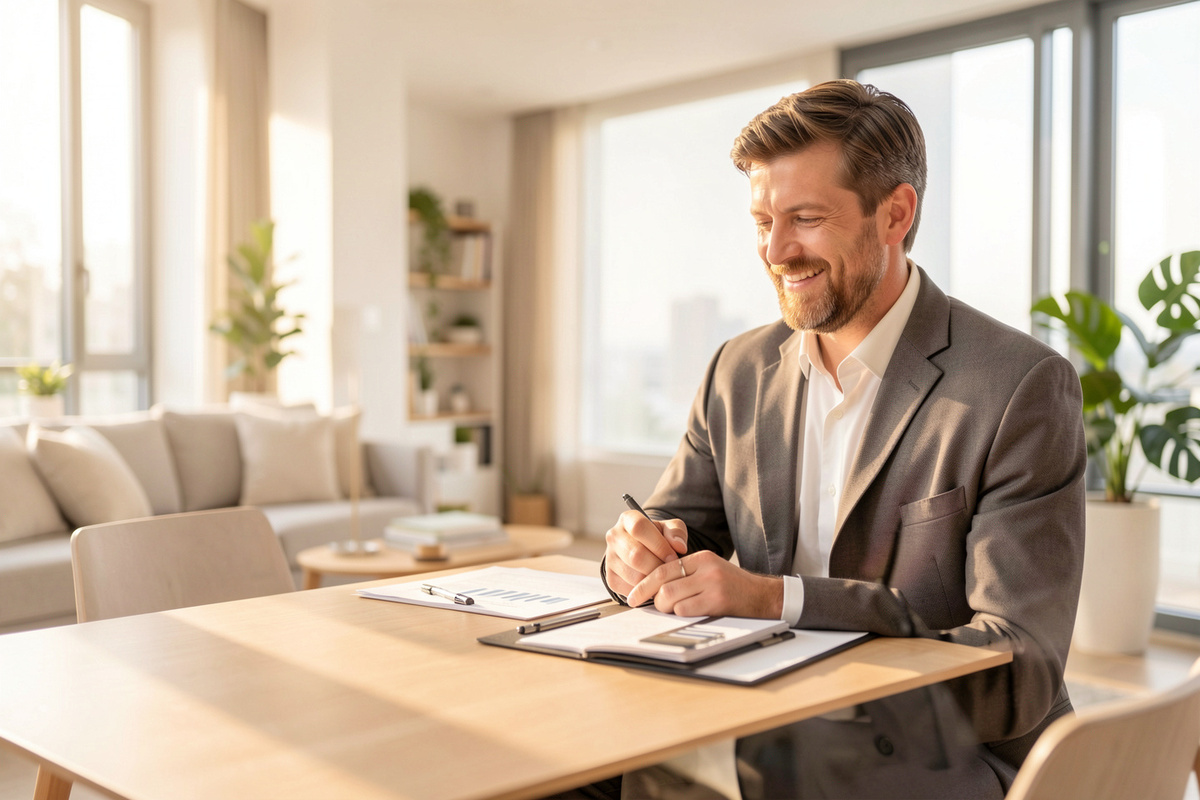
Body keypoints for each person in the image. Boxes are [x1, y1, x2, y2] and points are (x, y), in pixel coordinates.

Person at [600, 80, 1086, 798]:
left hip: (935, 757)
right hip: (739, 719)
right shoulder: (737, 370)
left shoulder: (1019, 386)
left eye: (805, 218)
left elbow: (1018, 669)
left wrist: (779, 601)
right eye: (762, 220)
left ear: (895, 213)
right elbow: (679, 536)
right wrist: (635, 554)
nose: (775, 250)